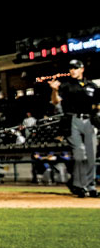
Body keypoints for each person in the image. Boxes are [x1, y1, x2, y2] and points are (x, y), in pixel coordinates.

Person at [48, 59, 98, 197]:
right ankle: (79, 185)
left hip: (89, 120)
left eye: (75, 68)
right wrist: (53, 90)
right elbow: (55, 101)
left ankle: (90, 186)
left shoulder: (92, 86)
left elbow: (97, 104)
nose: (72, 70)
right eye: (71, 68)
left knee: (91, 155)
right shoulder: (66, 85)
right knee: (80, 153)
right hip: (72, 120)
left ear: (82, 69)